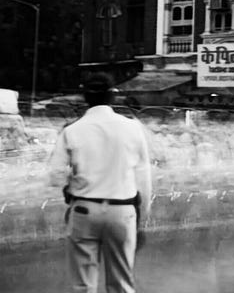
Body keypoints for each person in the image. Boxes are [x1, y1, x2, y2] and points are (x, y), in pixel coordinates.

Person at [46, 74, 154, 293]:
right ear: (112, 96)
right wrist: (142, 217)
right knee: (121, 284)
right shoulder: (133, 128)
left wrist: (71, 186)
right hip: (122, 212)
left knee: (84, 285)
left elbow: (55, 174)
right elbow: (143, 177)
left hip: (84, 210)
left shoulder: (72, 130)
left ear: (85, 97)